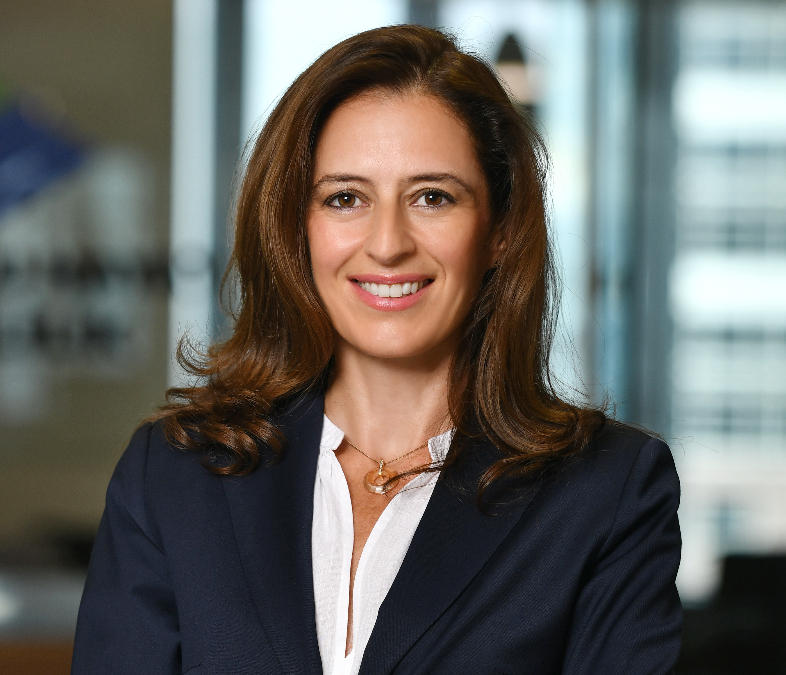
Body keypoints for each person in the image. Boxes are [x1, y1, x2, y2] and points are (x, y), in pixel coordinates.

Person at [71, 25, 681, 675]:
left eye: (432, 197)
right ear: (297, 226)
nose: (387, 243)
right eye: (346, 198)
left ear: (499, 230)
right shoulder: (172, 476)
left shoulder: (608, 491)